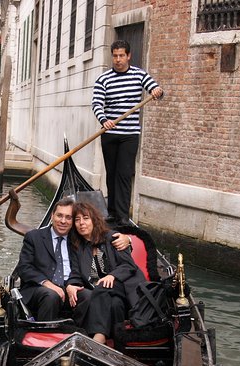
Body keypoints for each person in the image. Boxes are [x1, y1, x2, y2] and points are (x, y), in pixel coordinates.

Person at [92, 40, 164, 226]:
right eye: (115, 56)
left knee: (124, 174)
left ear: (128, 56)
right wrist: (103, 120)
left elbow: (156, 90)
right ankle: (113, 213)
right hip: (109, 133)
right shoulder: (104, 79)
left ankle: (123, 216)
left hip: (129, 135)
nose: (118, 59)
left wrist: (157, 91)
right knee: (112, 173)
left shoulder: (139, 75)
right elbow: (97, 104)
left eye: (121, 55)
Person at [66, 201, 146, 344]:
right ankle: (118, 342)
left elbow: (129, 265)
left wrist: (112, 275)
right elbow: (76, 272)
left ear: (94, 220)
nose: (81, 223)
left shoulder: (113, 238)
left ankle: (98, 338)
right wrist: (71, 284)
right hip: (106, 295)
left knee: (102, 287)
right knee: (115, 304)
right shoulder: (77, 247)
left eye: (85, 218)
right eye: (77, 220)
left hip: (124, 285)